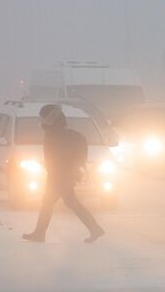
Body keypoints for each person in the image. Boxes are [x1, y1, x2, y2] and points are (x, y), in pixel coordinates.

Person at [22, 104, 105, 243]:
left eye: (42, 117)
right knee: (63, 203)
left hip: (58, 176)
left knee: (54, 203)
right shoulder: (58, 133)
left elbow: (55, 158)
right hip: (61, 175)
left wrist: (56, 175)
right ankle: (94, 228)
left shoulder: (55, 134)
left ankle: (40, 233)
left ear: (49, 119)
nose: (40, 120)